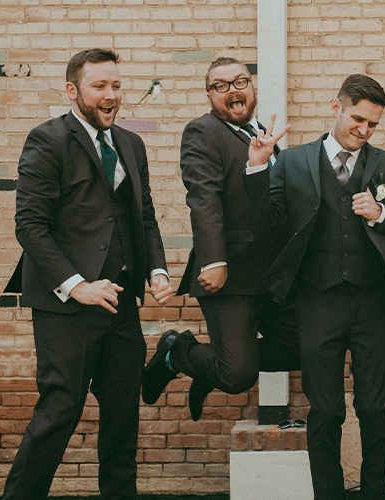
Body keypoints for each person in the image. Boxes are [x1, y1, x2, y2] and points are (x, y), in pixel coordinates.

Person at [1, 48, 173, 499]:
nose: (111, 95)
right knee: (58, 414)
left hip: (121, 307)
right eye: (100, 86)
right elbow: (30, 226)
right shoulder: (47, 140)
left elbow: (145, 216)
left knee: (122, 419)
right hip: (66, 310)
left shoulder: (132, 145)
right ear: (72, 90)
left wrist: (156, 267)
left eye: (116, 85)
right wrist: (77, 287)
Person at [263, 74, 385, 500]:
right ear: (336, 107)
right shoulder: (292, 161)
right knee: (325, 411)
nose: (364, 130)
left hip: (375, 304)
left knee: (373, 408)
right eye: (358, 119)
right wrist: (257, 169)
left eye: (373, 124)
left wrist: (381, 214)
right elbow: (267, 225)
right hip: (317, 302)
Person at [140, 57, 300, 422]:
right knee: (238, 374)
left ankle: (208, 367)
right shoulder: (203, 132)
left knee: (310, 346)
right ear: (210, 95)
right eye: (221, 85)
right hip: (231, 276)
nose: (233, 90)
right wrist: (214, 260)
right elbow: (203, 197)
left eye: (240, 81)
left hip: (273, 277)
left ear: (252, 88)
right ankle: (175, 352)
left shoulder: (263, 135)